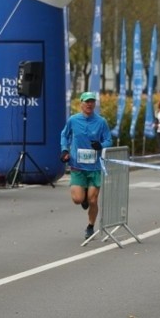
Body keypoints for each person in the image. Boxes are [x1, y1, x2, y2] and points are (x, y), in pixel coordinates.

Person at [60, 92, 113, 239]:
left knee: (93, 200)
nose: (89, 104)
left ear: (94, 104)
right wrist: (64, 149)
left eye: (92, 102)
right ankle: (82, 198)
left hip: (95, 167)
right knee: (78, 199)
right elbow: (64, 135)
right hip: (77, 166)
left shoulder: (101, 122)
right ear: (81, 104)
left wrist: (101, 145)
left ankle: (90, 226)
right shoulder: (73, 120)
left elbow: (109, 140)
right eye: (87, 102)